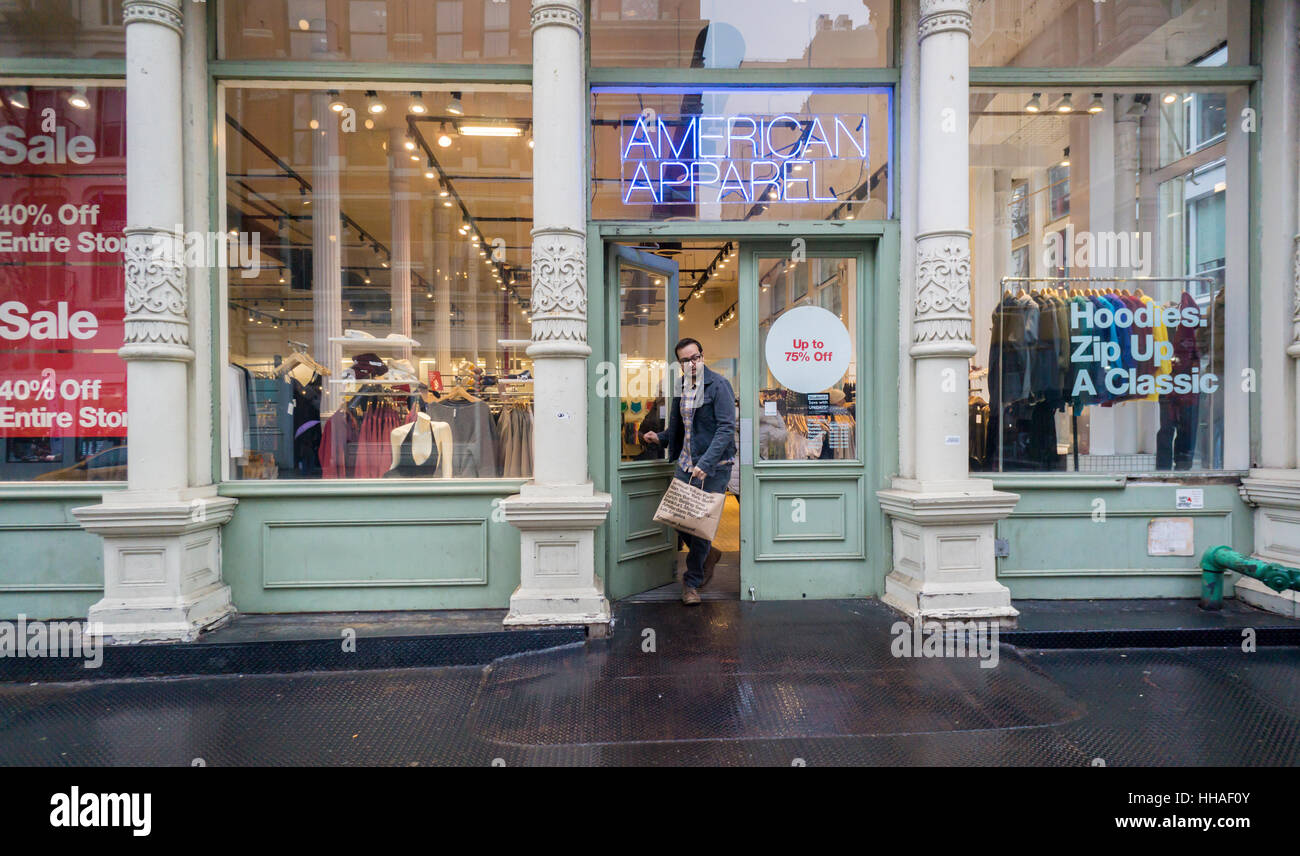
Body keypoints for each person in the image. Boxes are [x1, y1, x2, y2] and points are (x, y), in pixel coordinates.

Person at [642, 338, 735, 605]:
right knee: (676, 517)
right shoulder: (681, 387)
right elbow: (679, 428)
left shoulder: (719, 385)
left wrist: (705, 464)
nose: (692, 363)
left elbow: (726, 429)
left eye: (696, 357)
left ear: (702, 357)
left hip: (714, 468)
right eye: (686, 360)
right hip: (685, 464)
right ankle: (709, 555)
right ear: (680, 364)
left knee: (700, 526)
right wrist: (659, 438)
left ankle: (691, 583)